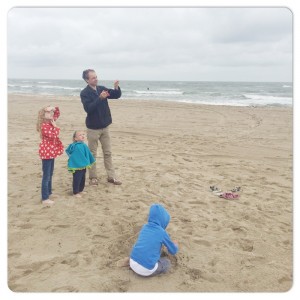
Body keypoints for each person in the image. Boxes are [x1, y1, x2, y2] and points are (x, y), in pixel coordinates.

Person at [80, 69, 122, 186]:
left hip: (105, 126)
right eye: (93, 78)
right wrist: (100, 98)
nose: (96, 79)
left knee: (108, 153)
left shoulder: (101, 88)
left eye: (96, 76)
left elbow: (116, 95)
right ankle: (93, 177)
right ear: (87, 80)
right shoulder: (84, 93)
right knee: (92, 154)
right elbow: (88, 108)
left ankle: (111, 177)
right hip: (93, 128)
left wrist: (116, 87)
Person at [129, 204, 179, 277]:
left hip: (132, 261)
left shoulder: (144, 227)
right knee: (166, 262)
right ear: (163, 220)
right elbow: (173, 251)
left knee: (145, 250)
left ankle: (132, 263)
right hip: (146, 269)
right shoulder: (162, 232)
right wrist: (175, 244)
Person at [36, 106, 64, 205]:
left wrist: (53, 108)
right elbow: (54, 135)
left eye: (50, 112)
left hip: (51, 152)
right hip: (46, 152)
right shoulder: (44, 126)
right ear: (42, 116)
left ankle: (49, 193)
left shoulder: (51, 121)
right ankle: (45, 198)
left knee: (50, 173)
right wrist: (56, 127)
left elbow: (57, 113)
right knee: (46, 175)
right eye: (47, 113)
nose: (50, 114)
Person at [65, 131, 95, 197]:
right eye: (80, 135)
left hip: (83, 165)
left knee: (82, 178)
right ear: (75, 138)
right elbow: (69, 152)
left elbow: (87, 154)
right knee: (77, 178)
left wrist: (88, 161)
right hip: (76, 166)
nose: (82, 136)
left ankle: (80, 190)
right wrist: (73, 159)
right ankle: (75, 192)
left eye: (83, 134)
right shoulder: (74, 146)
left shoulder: (84, 145)